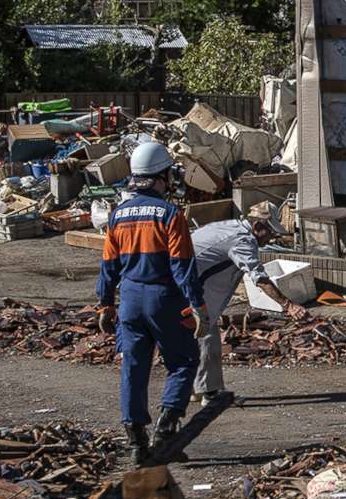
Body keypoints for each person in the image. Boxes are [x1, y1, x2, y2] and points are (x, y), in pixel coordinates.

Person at [94, 139, 204, 464]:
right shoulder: (170, 214)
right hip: (162, 298)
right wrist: (198, 305)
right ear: (161, 177)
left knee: (134, 367)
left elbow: (108, 266)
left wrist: (105, 303)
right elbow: (182, 265)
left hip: (129, 298)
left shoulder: (117, 216)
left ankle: (136, 443)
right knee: (184, 362)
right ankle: (166, 428)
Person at [191, 202, 304, 400]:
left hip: (185, 287)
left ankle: (196, 389)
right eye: (270, 233)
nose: (270, 239)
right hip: (192, 291)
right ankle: (210, 393)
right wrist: (289, 305)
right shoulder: (242, 240)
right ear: (258, 227)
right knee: (206, 336)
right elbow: (259, 278)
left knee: (199, 337)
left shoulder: (229, 226)